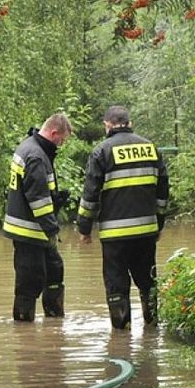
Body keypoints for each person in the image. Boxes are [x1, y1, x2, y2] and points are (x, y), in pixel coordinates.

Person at [77, 106, 169, 329]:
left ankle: (121, 334)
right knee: (147, 282)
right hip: (146, 232)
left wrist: (84, 228)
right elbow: (163, 191)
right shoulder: (151, 148)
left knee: (117, 284)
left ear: (107, 125)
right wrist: (159, 224)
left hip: (114, 235)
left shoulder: (102, 151)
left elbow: (90, 195)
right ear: (129, 122)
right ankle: (152, 326)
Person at [2, 113, 73, 322]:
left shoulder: (33, 148)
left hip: (36, 230)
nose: (62, 144)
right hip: (30, 232)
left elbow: (36, 191)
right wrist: (52, 229)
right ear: (53, 133)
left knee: (54, 272)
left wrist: (57, 200)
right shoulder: (36, 155)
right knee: (29, 282)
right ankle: (24, 332)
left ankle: (54, 324)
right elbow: (37, 200)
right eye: (62, 139)